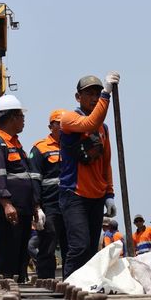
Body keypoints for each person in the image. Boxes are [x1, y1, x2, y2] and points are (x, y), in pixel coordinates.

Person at [59, 72, 120, 278]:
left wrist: (109, 194)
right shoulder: (69, 120)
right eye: (89, 94)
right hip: (74, 195)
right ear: (78, 97)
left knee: (91, 251)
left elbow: (106, 162)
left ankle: (87, 288)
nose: (94, 98)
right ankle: (69, 288)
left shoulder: (104, 128)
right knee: (79, 246)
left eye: (97, 93)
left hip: (96, 196)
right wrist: (106, 94)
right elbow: (89, 124)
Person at [0, 95, 39, 281]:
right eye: (21, 115)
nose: (24, 119)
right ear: (12, 117)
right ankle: (6, 292)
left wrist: (34, 206)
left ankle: (19, 290)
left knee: (21, 257)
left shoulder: (15, 144)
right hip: (9, 211)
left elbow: (25, 178)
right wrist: (6, 204)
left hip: (21, 210)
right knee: (7, 255)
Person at [30, 109, 68, 278]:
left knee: (72, 246)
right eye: (58, 124)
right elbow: (34, 180)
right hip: (50, 206)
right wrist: (36, 207)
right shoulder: (40, 148)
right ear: (50, 126)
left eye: (65, 123)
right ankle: (46, 281)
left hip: (71, 205)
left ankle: (73, 282)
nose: (62, 127)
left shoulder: (72, 145)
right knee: (48, 244)